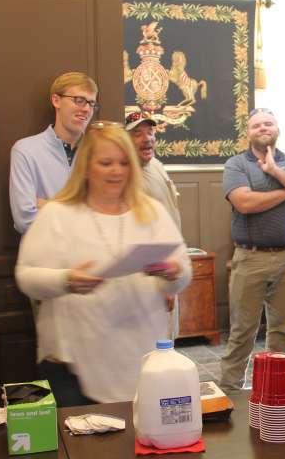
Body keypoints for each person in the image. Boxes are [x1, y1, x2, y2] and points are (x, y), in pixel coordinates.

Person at [15, 123, 191, 403]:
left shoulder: (151, 211)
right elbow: (26, 277)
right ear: (86, 166)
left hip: (141, 357)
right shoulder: (58, 215)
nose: (117, 171)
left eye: (123, 163)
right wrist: (67, 279)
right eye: (106, 163)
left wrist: (173, 272)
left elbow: (183, 271)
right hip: (75, 362)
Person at [219, 108, 285, 392]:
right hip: (250, 258)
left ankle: (277, 392)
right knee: (242, 333)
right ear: (248, 133)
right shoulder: (237, 164)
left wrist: (275, 171)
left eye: (268, 123)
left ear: (277, 128)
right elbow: (245, 203)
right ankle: (229, 393)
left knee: (282, 331)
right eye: (256, 125)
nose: (263, 128)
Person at [9, 71, 98, 234]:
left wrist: (47, 205)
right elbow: (25, 221)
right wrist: (81, 213)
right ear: (56, 100)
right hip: (44, 257)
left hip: (90, 257)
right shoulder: (25, 151)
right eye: (79, 100)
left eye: (91, 103)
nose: (86, 109)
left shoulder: (98, 152)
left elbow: (104, 215)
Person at [126, 110, 183, 338]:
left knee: (166, 343)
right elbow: (139, 236)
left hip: (169, 267)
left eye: (150, 132)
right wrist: (159, 284)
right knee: (152, 348)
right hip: (150, 279)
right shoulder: (127, 177)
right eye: (137, 133)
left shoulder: (157, 165)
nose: (147, 138)